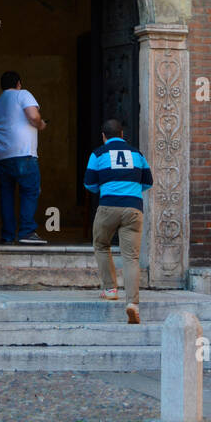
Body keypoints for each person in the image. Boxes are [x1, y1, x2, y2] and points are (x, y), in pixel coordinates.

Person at [84, 119, 153, 324]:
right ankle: (132, 303)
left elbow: (89, 184)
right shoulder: (138, 154)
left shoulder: (97, 154)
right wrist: (130, 193)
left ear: (103, 136)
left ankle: (110, 289)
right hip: (133, 208)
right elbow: (148, 182)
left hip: (108, 207)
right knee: (131, 257)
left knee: (101, 244)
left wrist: (106, 190)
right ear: (122, 135)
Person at [0, 70, 48, 245]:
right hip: (23, 153)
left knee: (7, 195)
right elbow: (33, 115)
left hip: (2, 155)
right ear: (18, 83)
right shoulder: (23, 94)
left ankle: (7, 235)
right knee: (30, 191)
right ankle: (27, 232)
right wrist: (40, 124)